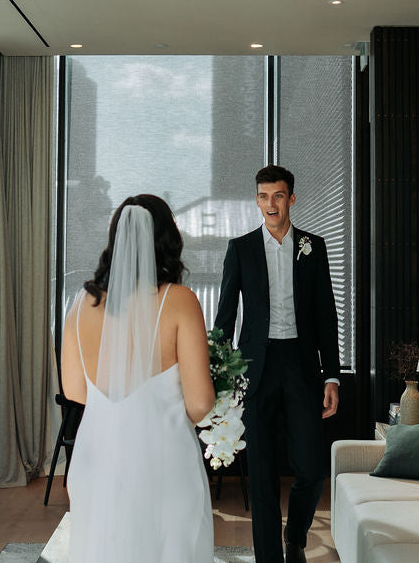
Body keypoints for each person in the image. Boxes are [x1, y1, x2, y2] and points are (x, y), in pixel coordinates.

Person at [62, 194, 216, 563]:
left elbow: (74, 391)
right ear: (169, 240)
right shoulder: (180, 301)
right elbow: (200, 403)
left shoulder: (82, 303)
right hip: (163, 463)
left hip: (96, 460)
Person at [214, 165, 340, 563]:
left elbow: (326, 314)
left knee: (313, 468)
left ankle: (296, 538)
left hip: (301, 365)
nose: (271, 203)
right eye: (264, 196)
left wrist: (332, 375)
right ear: (257, 200)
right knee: (263, 472)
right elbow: (224, 317)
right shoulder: (241, 248)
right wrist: (220, 375)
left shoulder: (313, 247)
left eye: (279, 195)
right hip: (256, 367)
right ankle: (268, 558)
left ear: (292, 199)